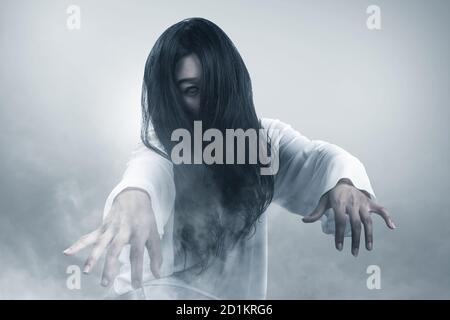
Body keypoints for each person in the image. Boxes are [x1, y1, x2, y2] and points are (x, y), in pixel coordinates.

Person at [63, 17, 395, 299]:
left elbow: (319, 159)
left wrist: (344, 183)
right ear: (168, 96)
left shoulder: (262, 141)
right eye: (191, 90)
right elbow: (147, 174)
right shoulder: (160, 148)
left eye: (216, 87)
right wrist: (133, 196)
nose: (209, 104)